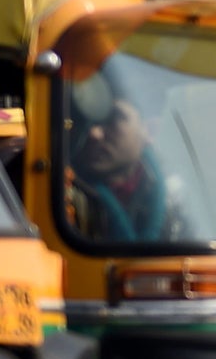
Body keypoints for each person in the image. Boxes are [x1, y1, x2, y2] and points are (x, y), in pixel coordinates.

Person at [67, 87, 186, 243]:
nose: (94, 133)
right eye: (89, 122)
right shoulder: (60, 187)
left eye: (114, 119)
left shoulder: (179, 199)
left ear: (150, 130)